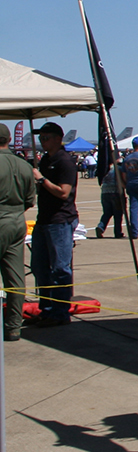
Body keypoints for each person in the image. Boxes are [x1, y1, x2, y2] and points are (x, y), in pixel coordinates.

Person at [30, 122, 78, 327]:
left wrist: (41, 180)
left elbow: (64, 192)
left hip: (60, 220)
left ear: (58, 138)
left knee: (60, 269)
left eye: (46, 137)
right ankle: (47, 309)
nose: (42, 141)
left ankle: (60, 313)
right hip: (44, 219)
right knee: (39, 267)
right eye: (40, 138)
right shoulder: (46, 160)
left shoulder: (64, 161)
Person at [0, 131, 36, 341]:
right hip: (16, 221)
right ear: (9, 140)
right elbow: (30, 200)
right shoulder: (24, 165)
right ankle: (13, 326)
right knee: (15, 277)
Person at [93, 158, 124, 239]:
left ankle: (101, 227)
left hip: (105, 192)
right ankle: (118, 232)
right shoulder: (118, 168)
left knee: (107, 213)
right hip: (116, 192)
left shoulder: (105, 169)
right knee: (118, 214)